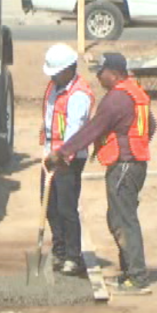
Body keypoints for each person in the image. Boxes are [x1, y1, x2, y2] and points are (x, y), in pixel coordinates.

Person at [47, 52, 157, 295]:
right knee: (119, 218)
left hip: (124, 166)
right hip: (134, 164)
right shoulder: (134, 92)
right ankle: (130, 273)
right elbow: (152, 124)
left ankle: (137, 278)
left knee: (123, 221)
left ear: (115, 73)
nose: (98, 76)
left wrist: (62, 152)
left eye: (101, 71)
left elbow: (92, 130)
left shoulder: (116, 98)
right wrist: (138, 147)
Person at [39, 43, 95, 277]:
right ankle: (59, 250)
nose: (52, 76)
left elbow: (74, 129)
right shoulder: (55, 86)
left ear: (70, 69)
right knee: (49, 206)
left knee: (66, 208)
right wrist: (47, 152)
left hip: (68, 158)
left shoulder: (78, 94)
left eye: (57, 71)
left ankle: (73, 257)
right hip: (50, 154)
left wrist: (61, 155)